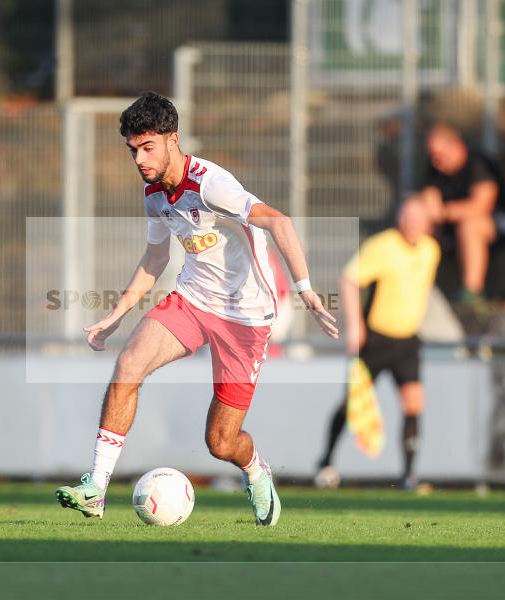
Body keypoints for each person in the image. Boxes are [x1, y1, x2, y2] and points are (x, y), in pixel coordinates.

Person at [55, 92, 338, 526]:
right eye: (133, 150)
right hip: (193, 299)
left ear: (173, 139)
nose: (139, 159)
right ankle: (96, 487)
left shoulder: (210, 184)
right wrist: (116, 314)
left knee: (221, 442)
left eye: (147, 147)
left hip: (246, 317)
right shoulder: (153, 193)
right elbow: (155, 260)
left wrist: (305, 289)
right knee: (129, 363)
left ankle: (256, 472)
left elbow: (278, 220)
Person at [315, 197, 440, 490]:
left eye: (417, 217)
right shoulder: (383, 246)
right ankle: (326, 463)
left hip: (408, 341)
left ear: (428, 223)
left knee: (413, 403)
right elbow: (348, 279)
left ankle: (408, 475)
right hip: (377, 340)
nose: (411, 223)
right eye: (406, 216)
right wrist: (356, 325)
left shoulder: (431, 250)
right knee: (352, 404)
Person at [421, 124, 505, 303]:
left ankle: (472, 291)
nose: (436, 161)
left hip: (498, 225)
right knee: (417, 222)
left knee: (470, 225)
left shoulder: (479, 163)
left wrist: (444, 212)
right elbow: (429, 198)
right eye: (433, 156)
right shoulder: (435, 167)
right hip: (451, 226)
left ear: (456, 146)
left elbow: (480, 207)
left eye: (441, 155)